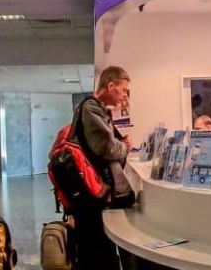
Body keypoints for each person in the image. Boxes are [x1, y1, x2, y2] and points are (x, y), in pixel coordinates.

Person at [75, 66, 134, 270]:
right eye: (123, 90)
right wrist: (125, 146)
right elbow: (107, 148)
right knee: (98, 256)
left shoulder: (98, 110)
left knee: (103, 254)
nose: (125, 94)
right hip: (93, 199)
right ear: (110, 86)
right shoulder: (90, 109)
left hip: (97, 196)